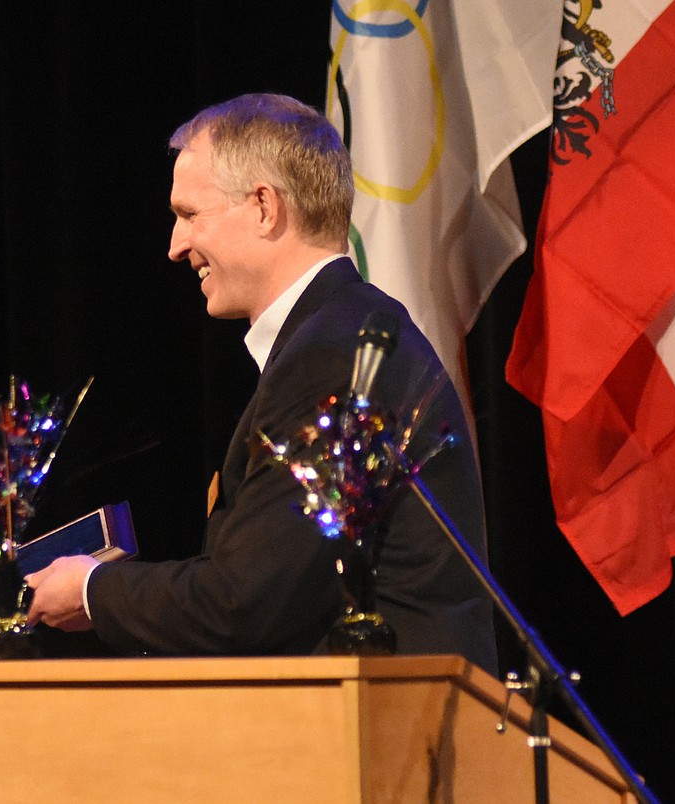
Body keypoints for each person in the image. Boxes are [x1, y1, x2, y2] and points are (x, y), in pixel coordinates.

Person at [26, 93, 498, 673]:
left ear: (264, 208)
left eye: (189, 214)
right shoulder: (341, 332)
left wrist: (94, 589)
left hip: (388, 734)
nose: (175, 247)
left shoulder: (330, 354)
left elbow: (242, 600)